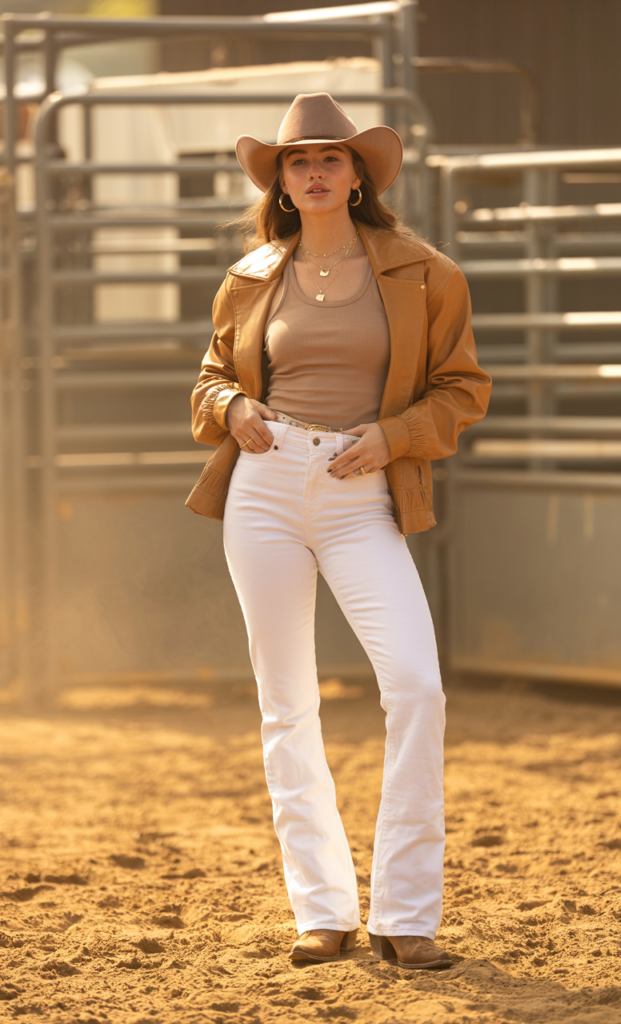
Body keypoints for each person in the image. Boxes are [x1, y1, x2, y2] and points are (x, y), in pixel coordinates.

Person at [186, 93, 491, 969]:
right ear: (281, 181)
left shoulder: (426, 272)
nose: (314, 171)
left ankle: (407, 914)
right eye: (297, 160)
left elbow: (463, 388)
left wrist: (393, 437)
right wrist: (235, 403)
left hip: (364, 495)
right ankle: (321, 910)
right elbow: (210, 377)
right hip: (265, 487)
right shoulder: (251, 275)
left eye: (331, 157)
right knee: (287, 702)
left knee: (417, 688)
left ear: (359, 175)